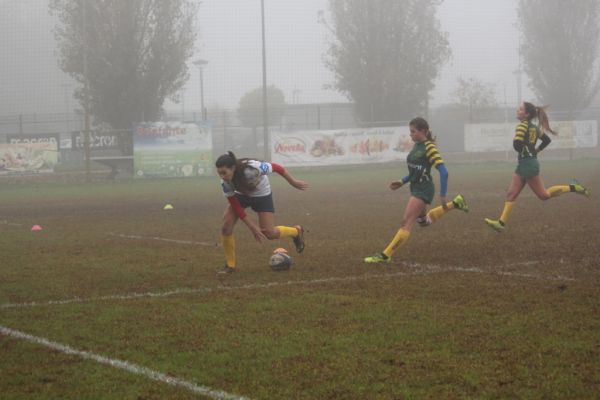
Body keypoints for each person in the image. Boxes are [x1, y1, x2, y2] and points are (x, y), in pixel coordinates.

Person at [364, 117, 469, 264]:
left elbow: (444, 172)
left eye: (413, 132)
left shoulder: (429, 147)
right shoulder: (417, 146)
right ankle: (456, 203)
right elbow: (416, 171)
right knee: (423, 222)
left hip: (423, 190)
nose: (410, 135)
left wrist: (443, 195)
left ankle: (385, 255)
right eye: (410, 132)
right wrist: (401, 181)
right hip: (416, 187)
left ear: (423, 131)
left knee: (406, 222)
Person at [484, 102, 590, 232]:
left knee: (544, 195)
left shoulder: (522, 126)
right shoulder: (533, 127)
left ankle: (574, 187)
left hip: (528, 165)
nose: (517, 110)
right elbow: (546, 140)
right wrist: (535, 150)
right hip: (524, 163)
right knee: (511, 194)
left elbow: (517, 145)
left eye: (520, 109)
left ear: (526, 114)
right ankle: (501, 223)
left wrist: (525, 148)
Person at [215, 151, 308, 273]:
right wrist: (252, 226)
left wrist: (293, 182)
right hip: (241, 196)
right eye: (219, 173)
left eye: (224, 173)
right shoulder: (226, 183)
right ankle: (230, 265)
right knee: (226, 227)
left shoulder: (253, 169)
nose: (222, 176)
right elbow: (236, 206)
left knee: (269, 233)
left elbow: (277, 167)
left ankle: (296, 231)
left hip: (262, 196)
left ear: (232, 168)